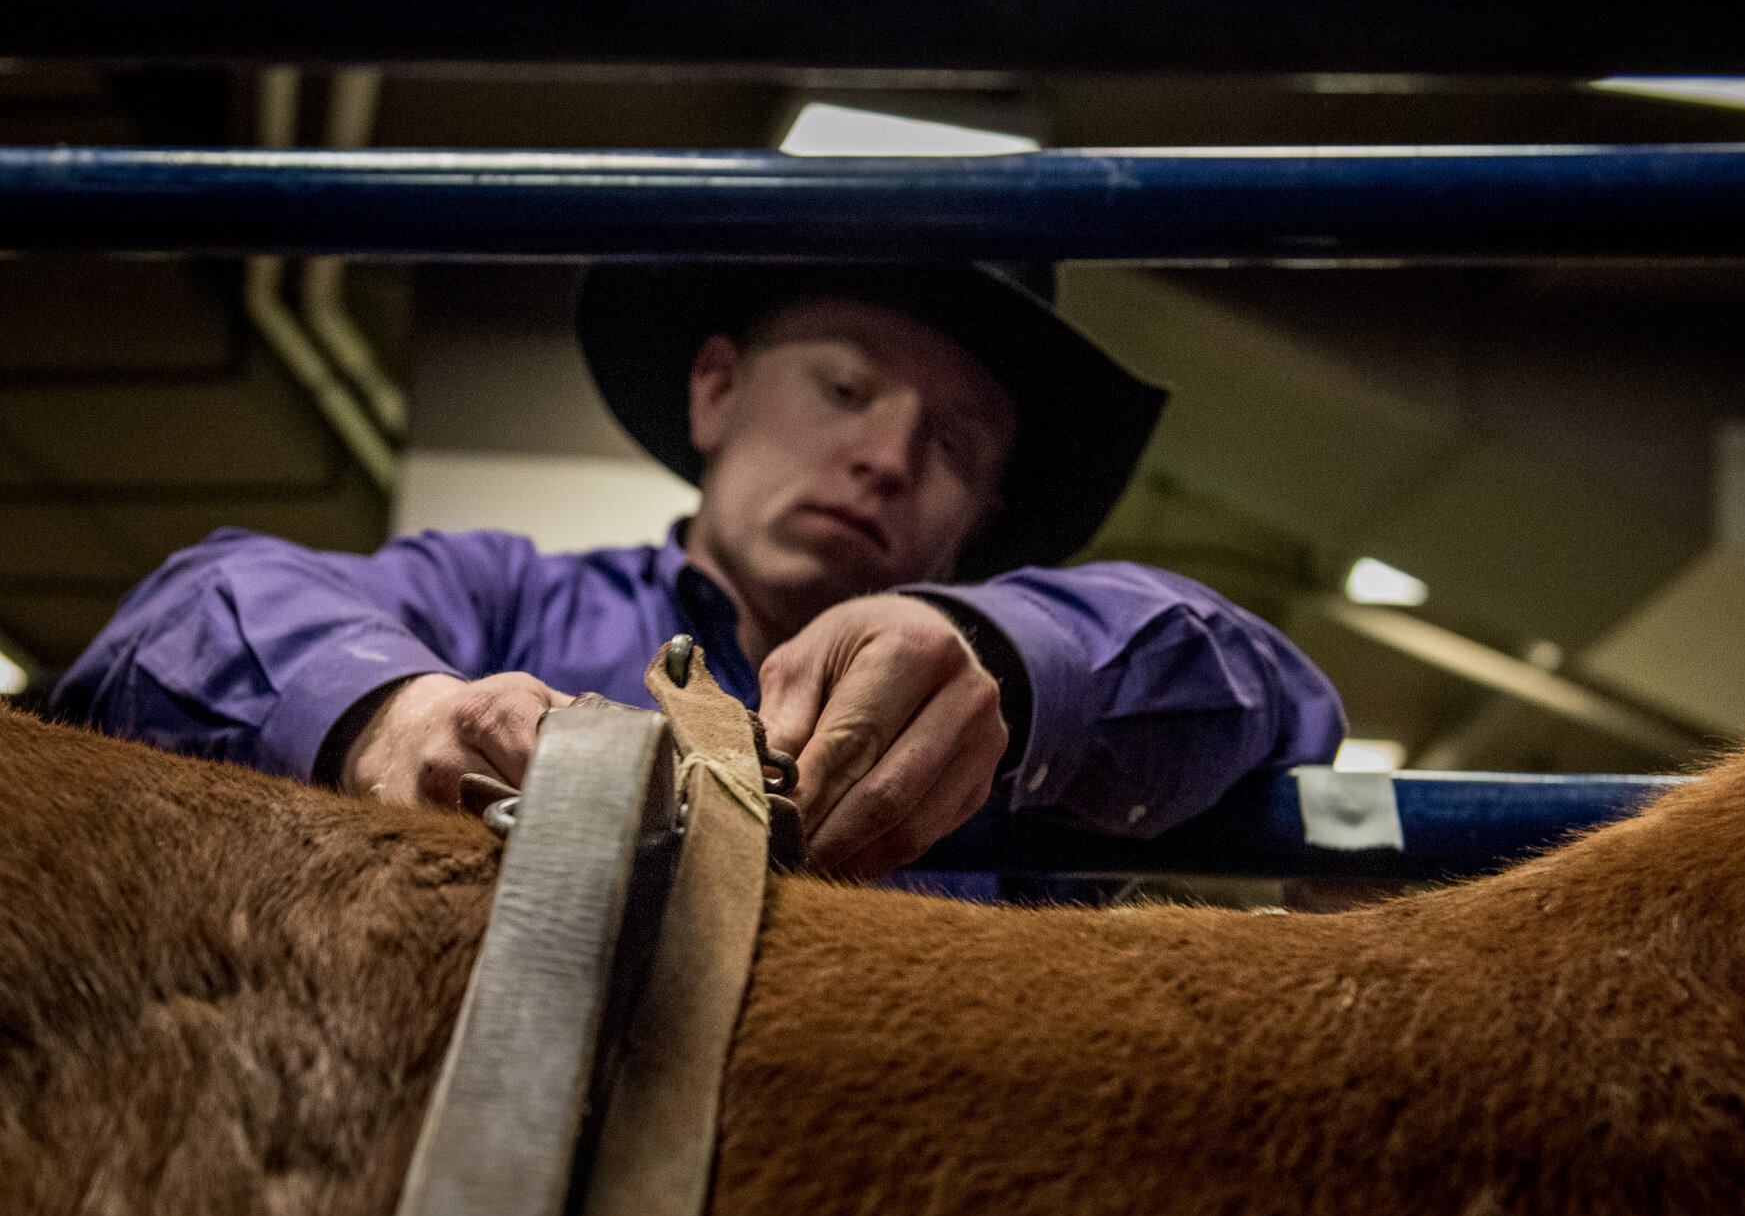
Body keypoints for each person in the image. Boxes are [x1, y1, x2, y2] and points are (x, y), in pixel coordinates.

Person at [54, 263, 1345, 877]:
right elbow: (188, 615)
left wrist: (1012, 659)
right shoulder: (501, 597)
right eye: (843, 386)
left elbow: (1271, 694)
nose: (887, 456)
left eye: (953, 444)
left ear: (987, 507)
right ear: (717, 389)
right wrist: (390, 716)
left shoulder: (1020, 716)